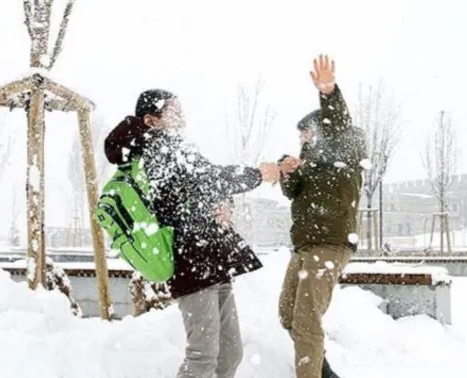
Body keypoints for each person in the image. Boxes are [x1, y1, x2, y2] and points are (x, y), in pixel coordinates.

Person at [104, 89, 282, 378]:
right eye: (174, 111)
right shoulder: (155, 151)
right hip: (191, 260)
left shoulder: (177, 148)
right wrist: (258, 175)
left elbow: (202, 186)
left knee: (230, 353)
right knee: (203, 356)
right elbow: (208, 179)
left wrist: (223, 203)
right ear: (151, 120)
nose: (182, 116)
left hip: (212, 258)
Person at [277, 54, 367, 378]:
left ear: (321, 130)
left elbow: (338, 121)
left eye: (306, 133)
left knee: (306, 321)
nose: (302, 139)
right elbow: (291, 192)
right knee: (288, 313)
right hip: (306, 245)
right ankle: (322, 369)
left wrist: (328, 92)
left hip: (329, 243)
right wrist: (287, 169)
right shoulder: (310, 164)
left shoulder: (345, 148)